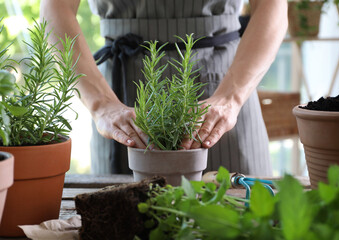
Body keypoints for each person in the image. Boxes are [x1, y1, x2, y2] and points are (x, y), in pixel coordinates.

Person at [40, 0, 288, 175]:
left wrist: (230, 98)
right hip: (120, 100)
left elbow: (272, 6)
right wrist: (101, 104)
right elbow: (55, 7)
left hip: (225, 92)